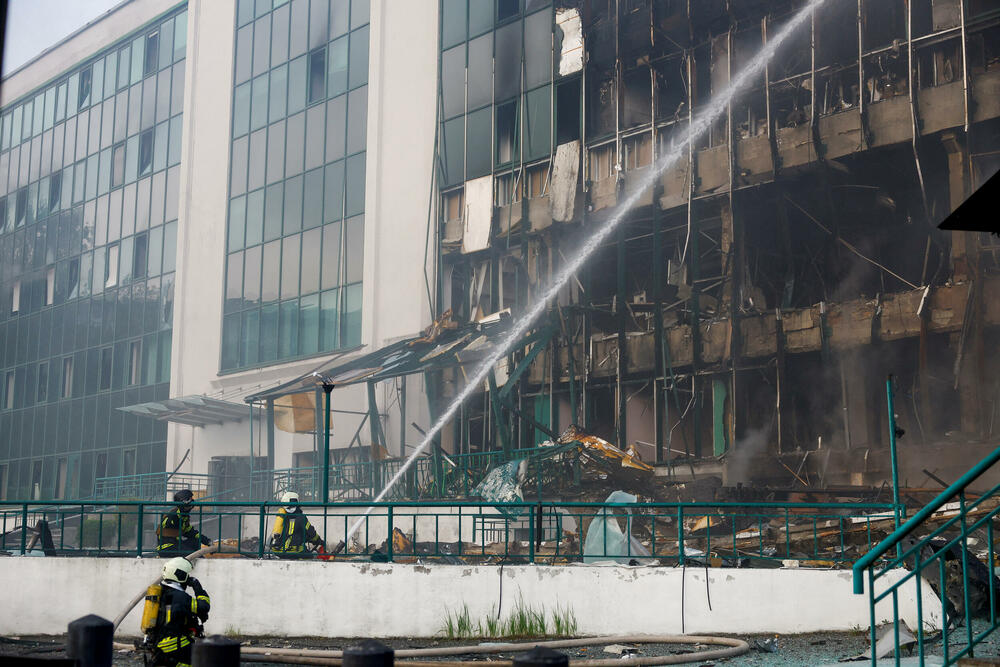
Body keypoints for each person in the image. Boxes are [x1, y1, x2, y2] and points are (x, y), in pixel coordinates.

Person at [148, 557, 211, 667]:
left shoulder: (162, 592)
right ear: (180, 575)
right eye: (187, 575)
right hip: (175, 645)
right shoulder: (180, 597)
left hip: (159, 645)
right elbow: (203, 607)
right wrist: (197, 587)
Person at [157, 489, 211, 557]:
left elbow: (191, 532)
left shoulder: (184, 516)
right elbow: (171, 524)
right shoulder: (174, 515)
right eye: (190, 500)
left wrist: (208, 542)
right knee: (195, 556)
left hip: (176, 545)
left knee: (195, 542)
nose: (192, 503)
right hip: (167, 548)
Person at [270, 491, 325, 557]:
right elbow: (311, 533)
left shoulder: (281, 515)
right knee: (310, 556)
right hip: (293, 552)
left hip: (277, 551)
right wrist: (319, 541)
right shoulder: (301, 517)